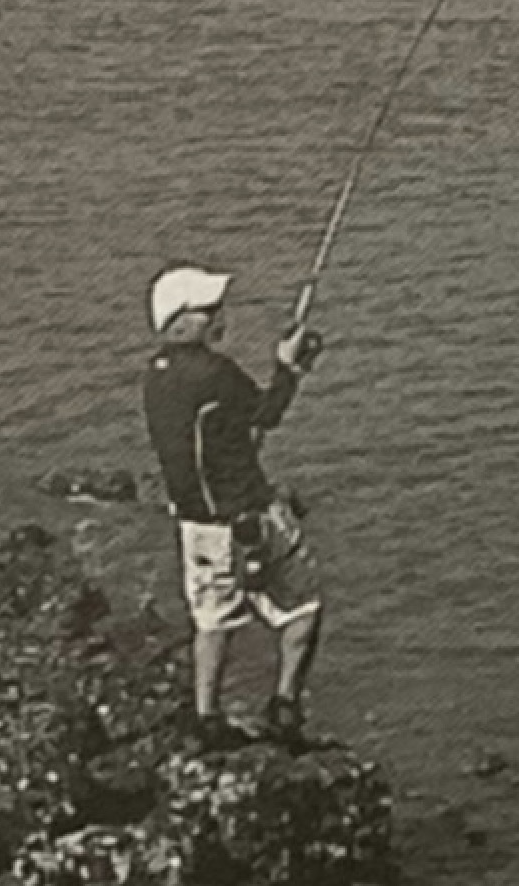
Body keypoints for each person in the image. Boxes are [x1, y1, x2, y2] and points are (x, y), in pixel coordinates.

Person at [141, 264, 327, 754]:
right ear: (180, 321)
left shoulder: (155, 379)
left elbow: (215, 432)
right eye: (207, 310)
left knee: (212, 621)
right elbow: (268, 413)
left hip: (195, 526)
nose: (219, 315)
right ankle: (284, 705)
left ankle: (206, 719)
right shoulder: (214, 373)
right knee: (303, 607)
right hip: (248, 517)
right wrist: (288, 367)